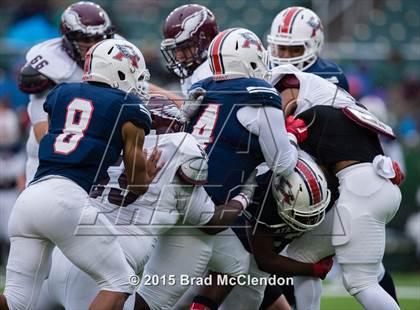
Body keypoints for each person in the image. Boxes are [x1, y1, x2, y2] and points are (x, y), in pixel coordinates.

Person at [0, 38, 158, 310]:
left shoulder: (60, 94)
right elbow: (137, 184)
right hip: (66, 201)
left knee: (15, 300)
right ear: (121, 71)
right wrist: (148, 171)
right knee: (119, 282)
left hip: (29, 200)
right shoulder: (131, 108)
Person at [267, 6, 400, 305]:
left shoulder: (320, 79)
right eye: (280, 47)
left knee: (364, 278)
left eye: (293, 48)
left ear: (312, 45)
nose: (285, 56)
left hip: (342, 185)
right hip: (358, 179)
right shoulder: (286, 77)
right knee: (301, 258)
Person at [179, 27, 308, 310]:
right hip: (215, 203)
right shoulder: (260, 95)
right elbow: (283, 164)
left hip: (181, 195)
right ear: (251, 60)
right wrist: (291, 135)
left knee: (237, 266)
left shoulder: (203, 89)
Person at [20, 1, 179, 186]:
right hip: (53, 158)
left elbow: (140, 85)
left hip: (91, 155)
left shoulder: (112, 53)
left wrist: (176, 99)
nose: (93, 45)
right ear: (68, 36)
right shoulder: (52, 67)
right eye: (84, 38)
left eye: (99, 38)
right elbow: (45, 136)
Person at [161, 4, 218, 98]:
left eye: (185, 48)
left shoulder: (211, 72)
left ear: (206, 41)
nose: (179, 56)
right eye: (175, 49)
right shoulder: (193, 69)